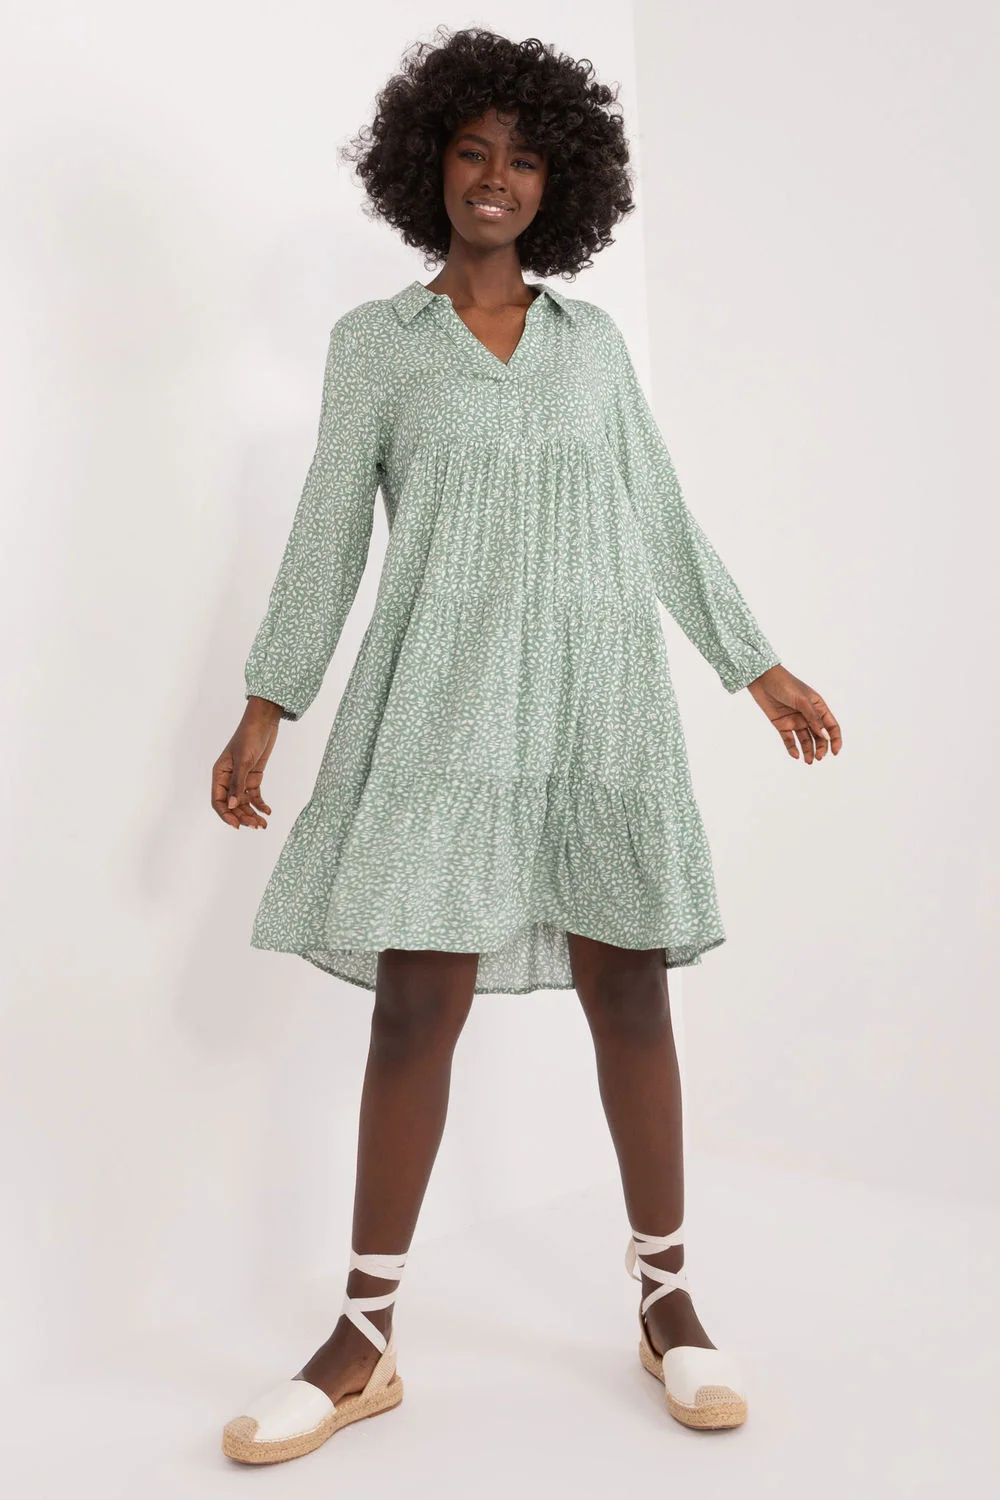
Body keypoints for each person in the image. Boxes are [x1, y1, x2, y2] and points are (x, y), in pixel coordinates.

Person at [212, 26, 841, 1465]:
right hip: (442, 706)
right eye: (471, 151)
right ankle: (364, 1336)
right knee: (411, 1006)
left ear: (562, 186)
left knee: (631, 993)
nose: (495, 178)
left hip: (596, 701)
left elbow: (659, 512)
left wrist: (756, 665)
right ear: (427, 164)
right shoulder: (377, 347)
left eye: (525, 160)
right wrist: (266, 706)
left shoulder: (590, 345)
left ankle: (667, 1300)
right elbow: (327, 534)